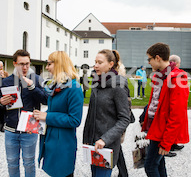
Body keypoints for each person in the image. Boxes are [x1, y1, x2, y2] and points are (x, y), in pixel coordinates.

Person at [0, 49, 48, 177]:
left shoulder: (36, 79)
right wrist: (0, 101)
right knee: (12, 163)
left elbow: (46, 100)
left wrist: (32, 87)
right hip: (10, 129)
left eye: (27, 64)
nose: (24, 67)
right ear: (14, 64)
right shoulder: (6, 81)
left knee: (29, 163)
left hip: (29, 129)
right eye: (21, 64)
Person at [142, 42, 189, 177]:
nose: (148, 62)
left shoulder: (177, 77)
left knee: (150, 166)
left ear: (157, 58)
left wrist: (167, 142)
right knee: (159, 164)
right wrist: (144, 118)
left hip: (163, 131)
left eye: (149, 59)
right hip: (155, 128)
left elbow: (177, 114)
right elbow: (154, 103)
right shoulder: (159, 75)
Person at [35, 51, 84, 177]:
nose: (46, 67)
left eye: (49, 64)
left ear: (58, 65)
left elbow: (74, 120)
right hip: (52, 141)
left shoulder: (74, 88)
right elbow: (55, 110)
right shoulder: (56, 86)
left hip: (63, 144)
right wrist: (39, 117)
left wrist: (47, 116)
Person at [83, 49, 130, 177]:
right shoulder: (96, 83)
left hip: (106, 145)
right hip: (93, 143)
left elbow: (125, 119)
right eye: (95, 62)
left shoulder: (118, 86)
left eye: (100, 62)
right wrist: (87, 137)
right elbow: (91, 113)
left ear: (110, 64)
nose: (96, 65)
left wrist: (105, 139)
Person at [168, 55, 185, 154]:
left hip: (176, 102)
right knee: (171, 125)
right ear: (177, 63)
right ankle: (168, 146)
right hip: (173, 103)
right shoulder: (173, 74)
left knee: (174, 125)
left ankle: (173, 143)